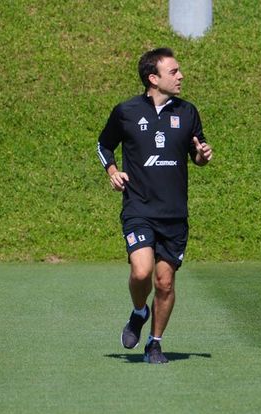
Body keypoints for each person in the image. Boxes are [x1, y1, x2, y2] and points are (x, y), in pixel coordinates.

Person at [97, 48, 213, 364]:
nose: (180, 76)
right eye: (173, 71)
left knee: (164, 282)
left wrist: (202, 155)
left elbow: (198, 154)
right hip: (139, 208)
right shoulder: (126, 111)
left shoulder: (188, 112)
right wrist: (112, 171)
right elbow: (103, 144)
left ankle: (154, 343)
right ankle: (139, 311)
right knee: (142, 270)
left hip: (174, 214)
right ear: (153, 78)